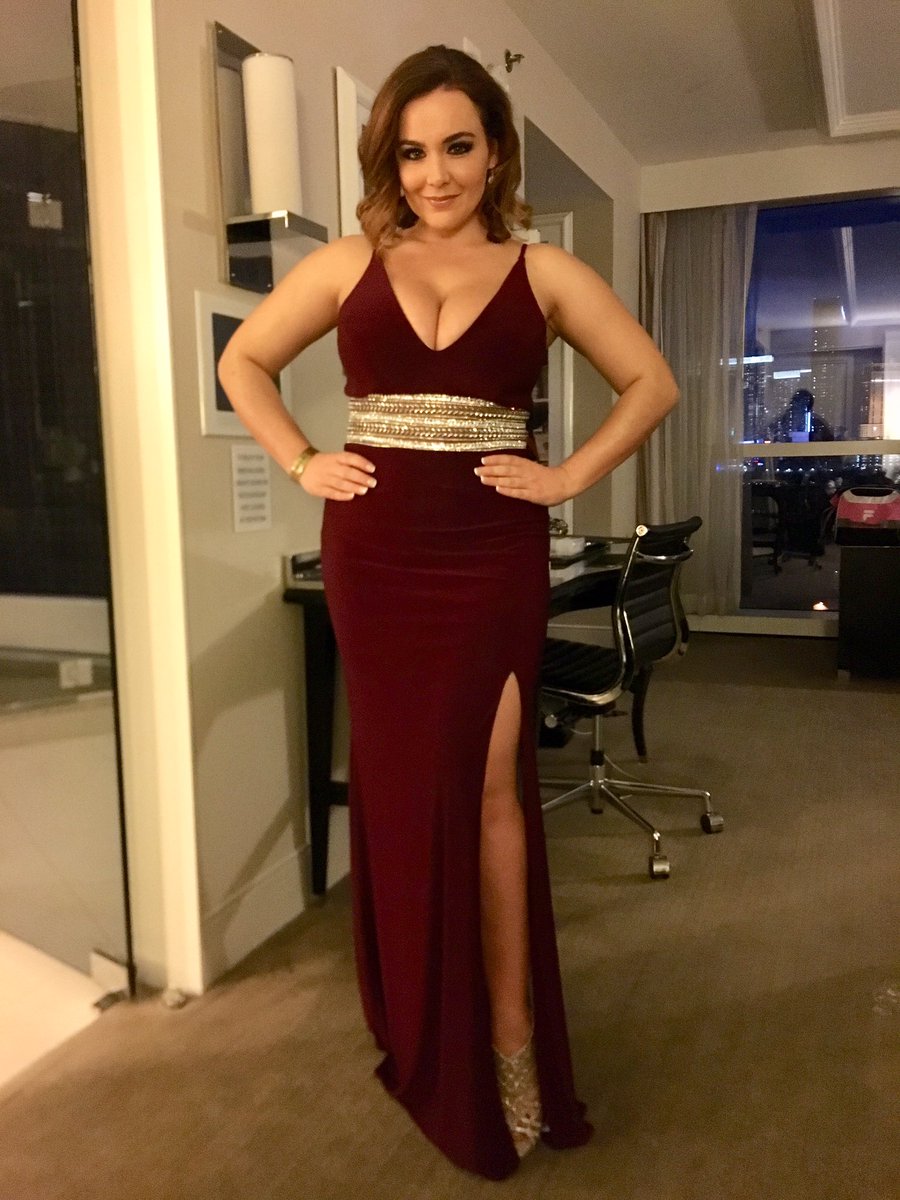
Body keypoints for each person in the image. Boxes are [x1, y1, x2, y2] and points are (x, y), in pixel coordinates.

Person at [218, 45, 678, 1180]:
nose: (435, 174)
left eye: (458, 147)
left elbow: (653, 383)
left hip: (488, 558)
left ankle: (511, 1049)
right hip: (376, 560)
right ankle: (423, 1024)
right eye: (413, 151)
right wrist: (303, 460)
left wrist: (564, 480)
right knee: (403, 792)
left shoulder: (544, 270)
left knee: (490, 796)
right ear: (390, 159)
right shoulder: (347, 263)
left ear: (496, 151)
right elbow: (243, 361)